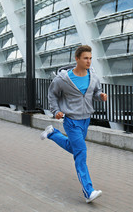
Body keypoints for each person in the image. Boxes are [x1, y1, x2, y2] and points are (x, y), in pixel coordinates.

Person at [40, 45, 107, 203]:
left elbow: (95, 92)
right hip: (71, 120)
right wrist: (55, 110)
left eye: (90, 58)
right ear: (77, 59)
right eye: (85, 58)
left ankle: (52, 133)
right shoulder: (63, 79)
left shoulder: (93, 76)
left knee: (74, 148)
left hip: (86, 119)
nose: (89, 61)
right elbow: (52, 94)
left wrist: (101, 95)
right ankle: (88, 191)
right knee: (81, 152)